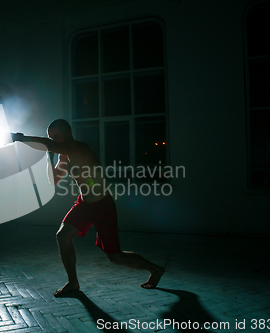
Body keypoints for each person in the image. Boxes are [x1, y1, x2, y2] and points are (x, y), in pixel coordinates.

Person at [12, 119, 164, 297]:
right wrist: (49, 157)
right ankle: (73, 282)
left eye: (56, 137)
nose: (53, 140)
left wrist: (21, 139)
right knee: (62, 236)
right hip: (84, 204)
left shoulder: (78, 147)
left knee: (115, 256)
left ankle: (155, 269)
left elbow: (46, 144)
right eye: (51, 138)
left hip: (102, 205)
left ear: (67, 133)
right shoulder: (64, 156)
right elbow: (53, 179)